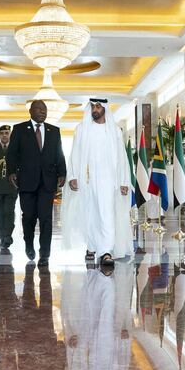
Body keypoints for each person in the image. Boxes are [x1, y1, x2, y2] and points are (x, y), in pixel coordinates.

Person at [61, 99, 132, 266]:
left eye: (98, 106)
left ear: (105, 108)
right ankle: (92, 245)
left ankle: (106, 251)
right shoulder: (82, 129)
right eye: (93, 106)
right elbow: (75, 154)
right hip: (87, 180)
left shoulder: (114, 131)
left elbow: (122, 158)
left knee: (106, 213)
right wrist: (72, 176)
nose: (95, 109)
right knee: (90, 213)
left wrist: (123, 180)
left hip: (109, 181)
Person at [7, 100, 66, 266]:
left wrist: (62, 173)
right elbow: (12, 153)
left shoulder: (54, 131)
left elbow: (59, 154)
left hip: (48, 181)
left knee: (46, 218)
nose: (43, 112)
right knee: (29, 217)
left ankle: (45, 253)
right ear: (31, 111)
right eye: (39, 109)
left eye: (45, 110)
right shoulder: (19, 129)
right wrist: (12, 171)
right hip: (26, 181)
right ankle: (29, 245)